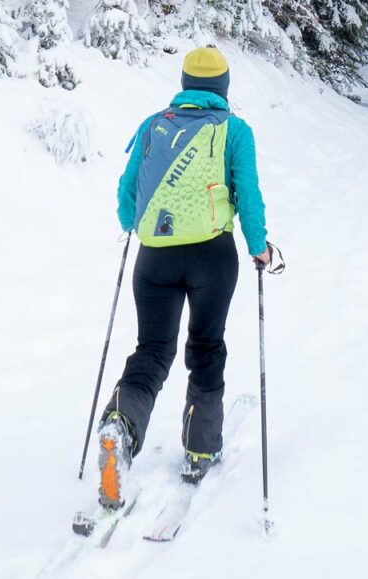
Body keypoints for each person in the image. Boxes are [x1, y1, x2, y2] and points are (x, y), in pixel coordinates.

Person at [96, 46, 270, 510]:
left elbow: (126, 192)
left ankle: (120, 426)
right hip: (212, 256)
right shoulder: (235, 130)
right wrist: (259, 247)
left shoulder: (155, 125)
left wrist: (131, 223)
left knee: (152, 350)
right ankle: (199, 448)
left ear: (185, 83)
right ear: (224, 87)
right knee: (206, 347)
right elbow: (247, 193)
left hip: (154, 258)